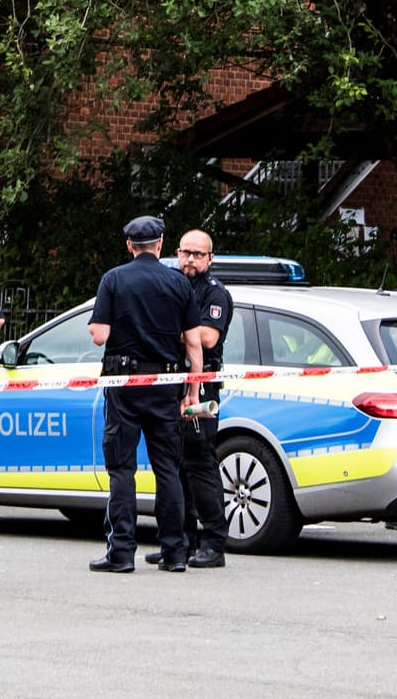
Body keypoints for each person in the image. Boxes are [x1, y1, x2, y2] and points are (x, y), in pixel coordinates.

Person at [87, 215, 203, 573]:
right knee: (167, 468)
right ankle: (174, 552)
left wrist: (99, 321)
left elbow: (99, 335)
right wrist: (192, 390)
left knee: (122, 468)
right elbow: (194, 344)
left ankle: (121, 552)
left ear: (129, 246)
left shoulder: (114, 279)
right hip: (166, 383)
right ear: (160, 244)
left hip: (123, 384)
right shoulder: (179, 283)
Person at [145, 228, 231, 570]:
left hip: (201, 385)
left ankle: (213, 542)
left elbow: (207, 339)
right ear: (176, 253)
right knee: (173, 465)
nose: (190, 259)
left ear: (210, 258)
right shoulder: (171, 284)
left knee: (200, 464)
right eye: (185, 253)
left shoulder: (215, 293)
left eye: (198, 254)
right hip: (171, 382)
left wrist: (162, 328)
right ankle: (180, 540)